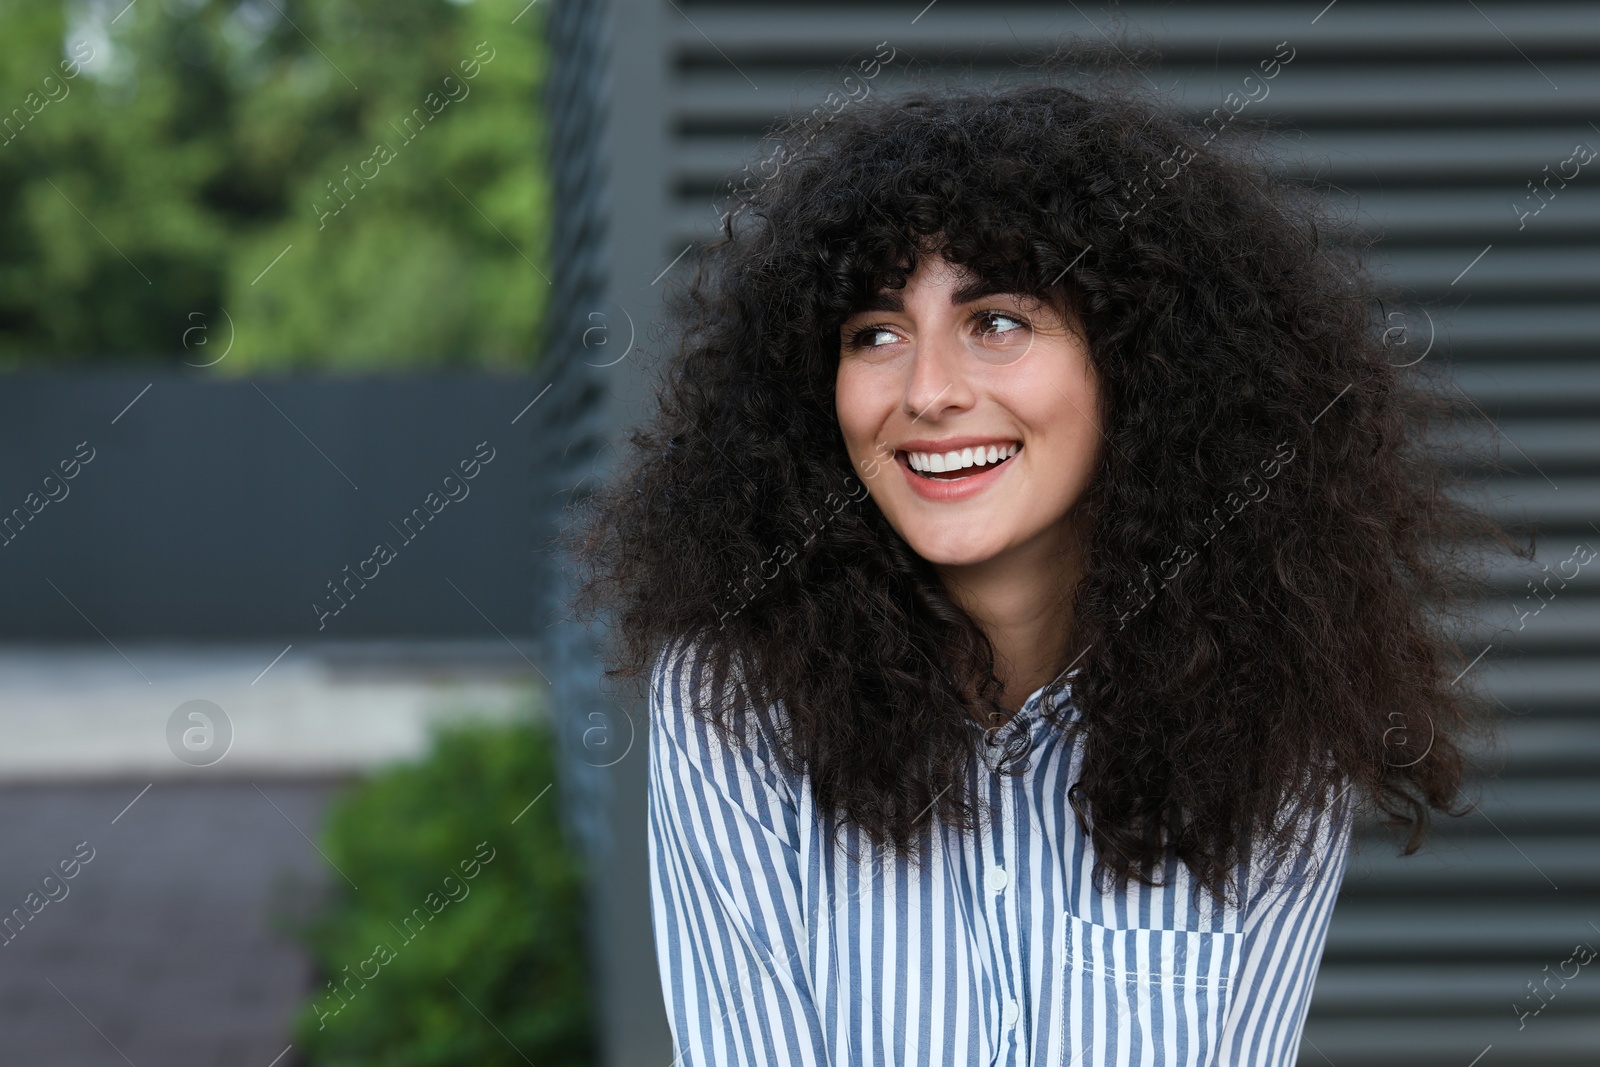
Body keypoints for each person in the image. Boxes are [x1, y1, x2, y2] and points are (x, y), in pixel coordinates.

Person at [563, 54, 1525, 1067]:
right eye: (875, 331)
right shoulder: (735, 702)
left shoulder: (1269, 715)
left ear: (1138, 365)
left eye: (998, 322)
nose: (927, 389)